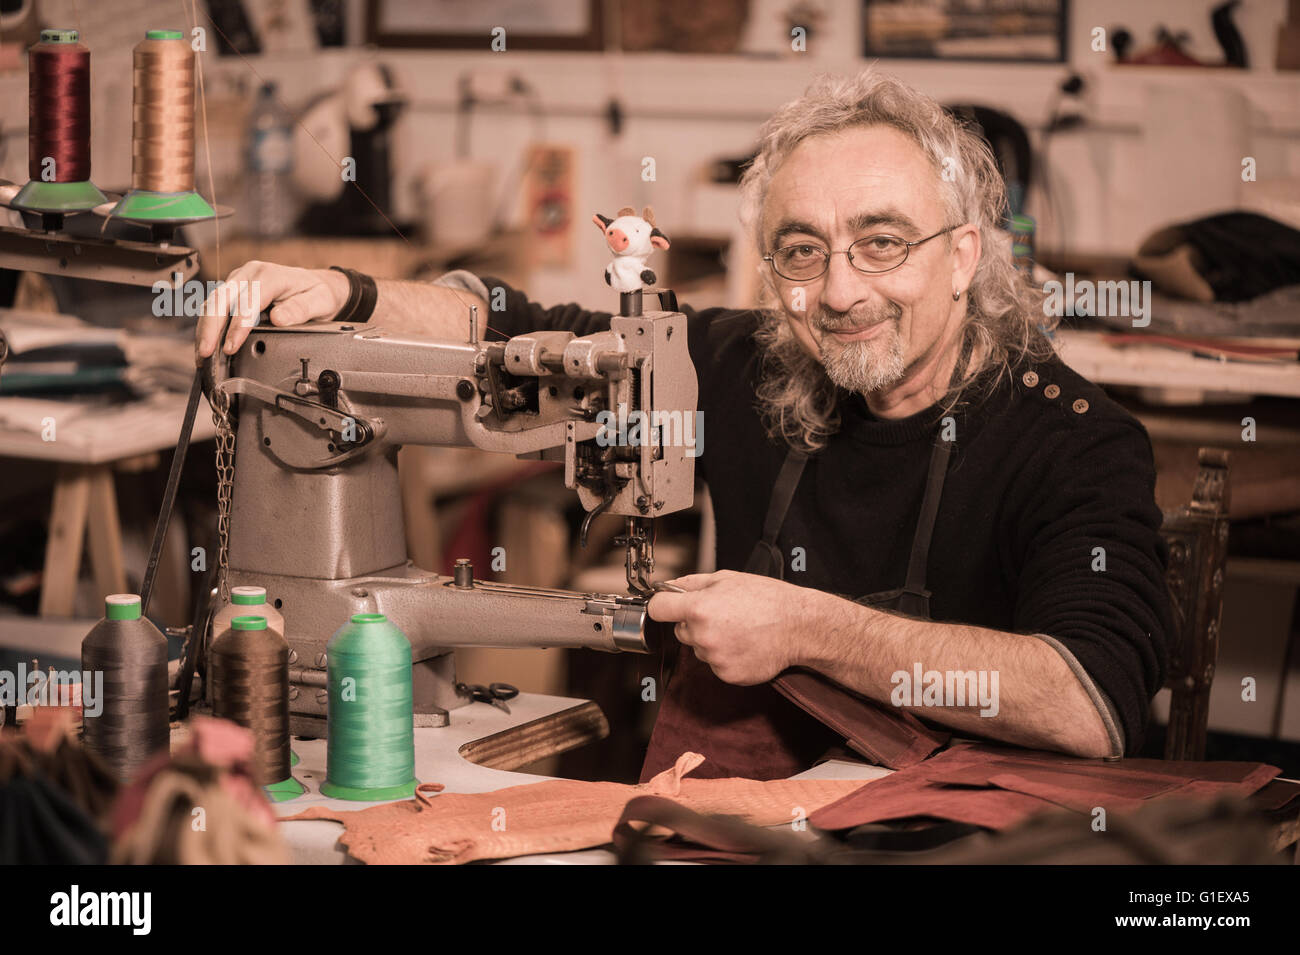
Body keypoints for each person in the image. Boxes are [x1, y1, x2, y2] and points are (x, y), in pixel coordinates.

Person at [197, 70, 1171, 781]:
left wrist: (807, 628)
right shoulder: (749, 362)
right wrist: (344, 290)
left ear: (962, 255)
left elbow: (1087, 703)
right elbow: (510, 327)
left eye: (880, 243)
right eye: (801, 251)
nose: (838, 290)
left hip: (962, 838)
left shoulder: (1073, 439)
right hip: (752, 822)